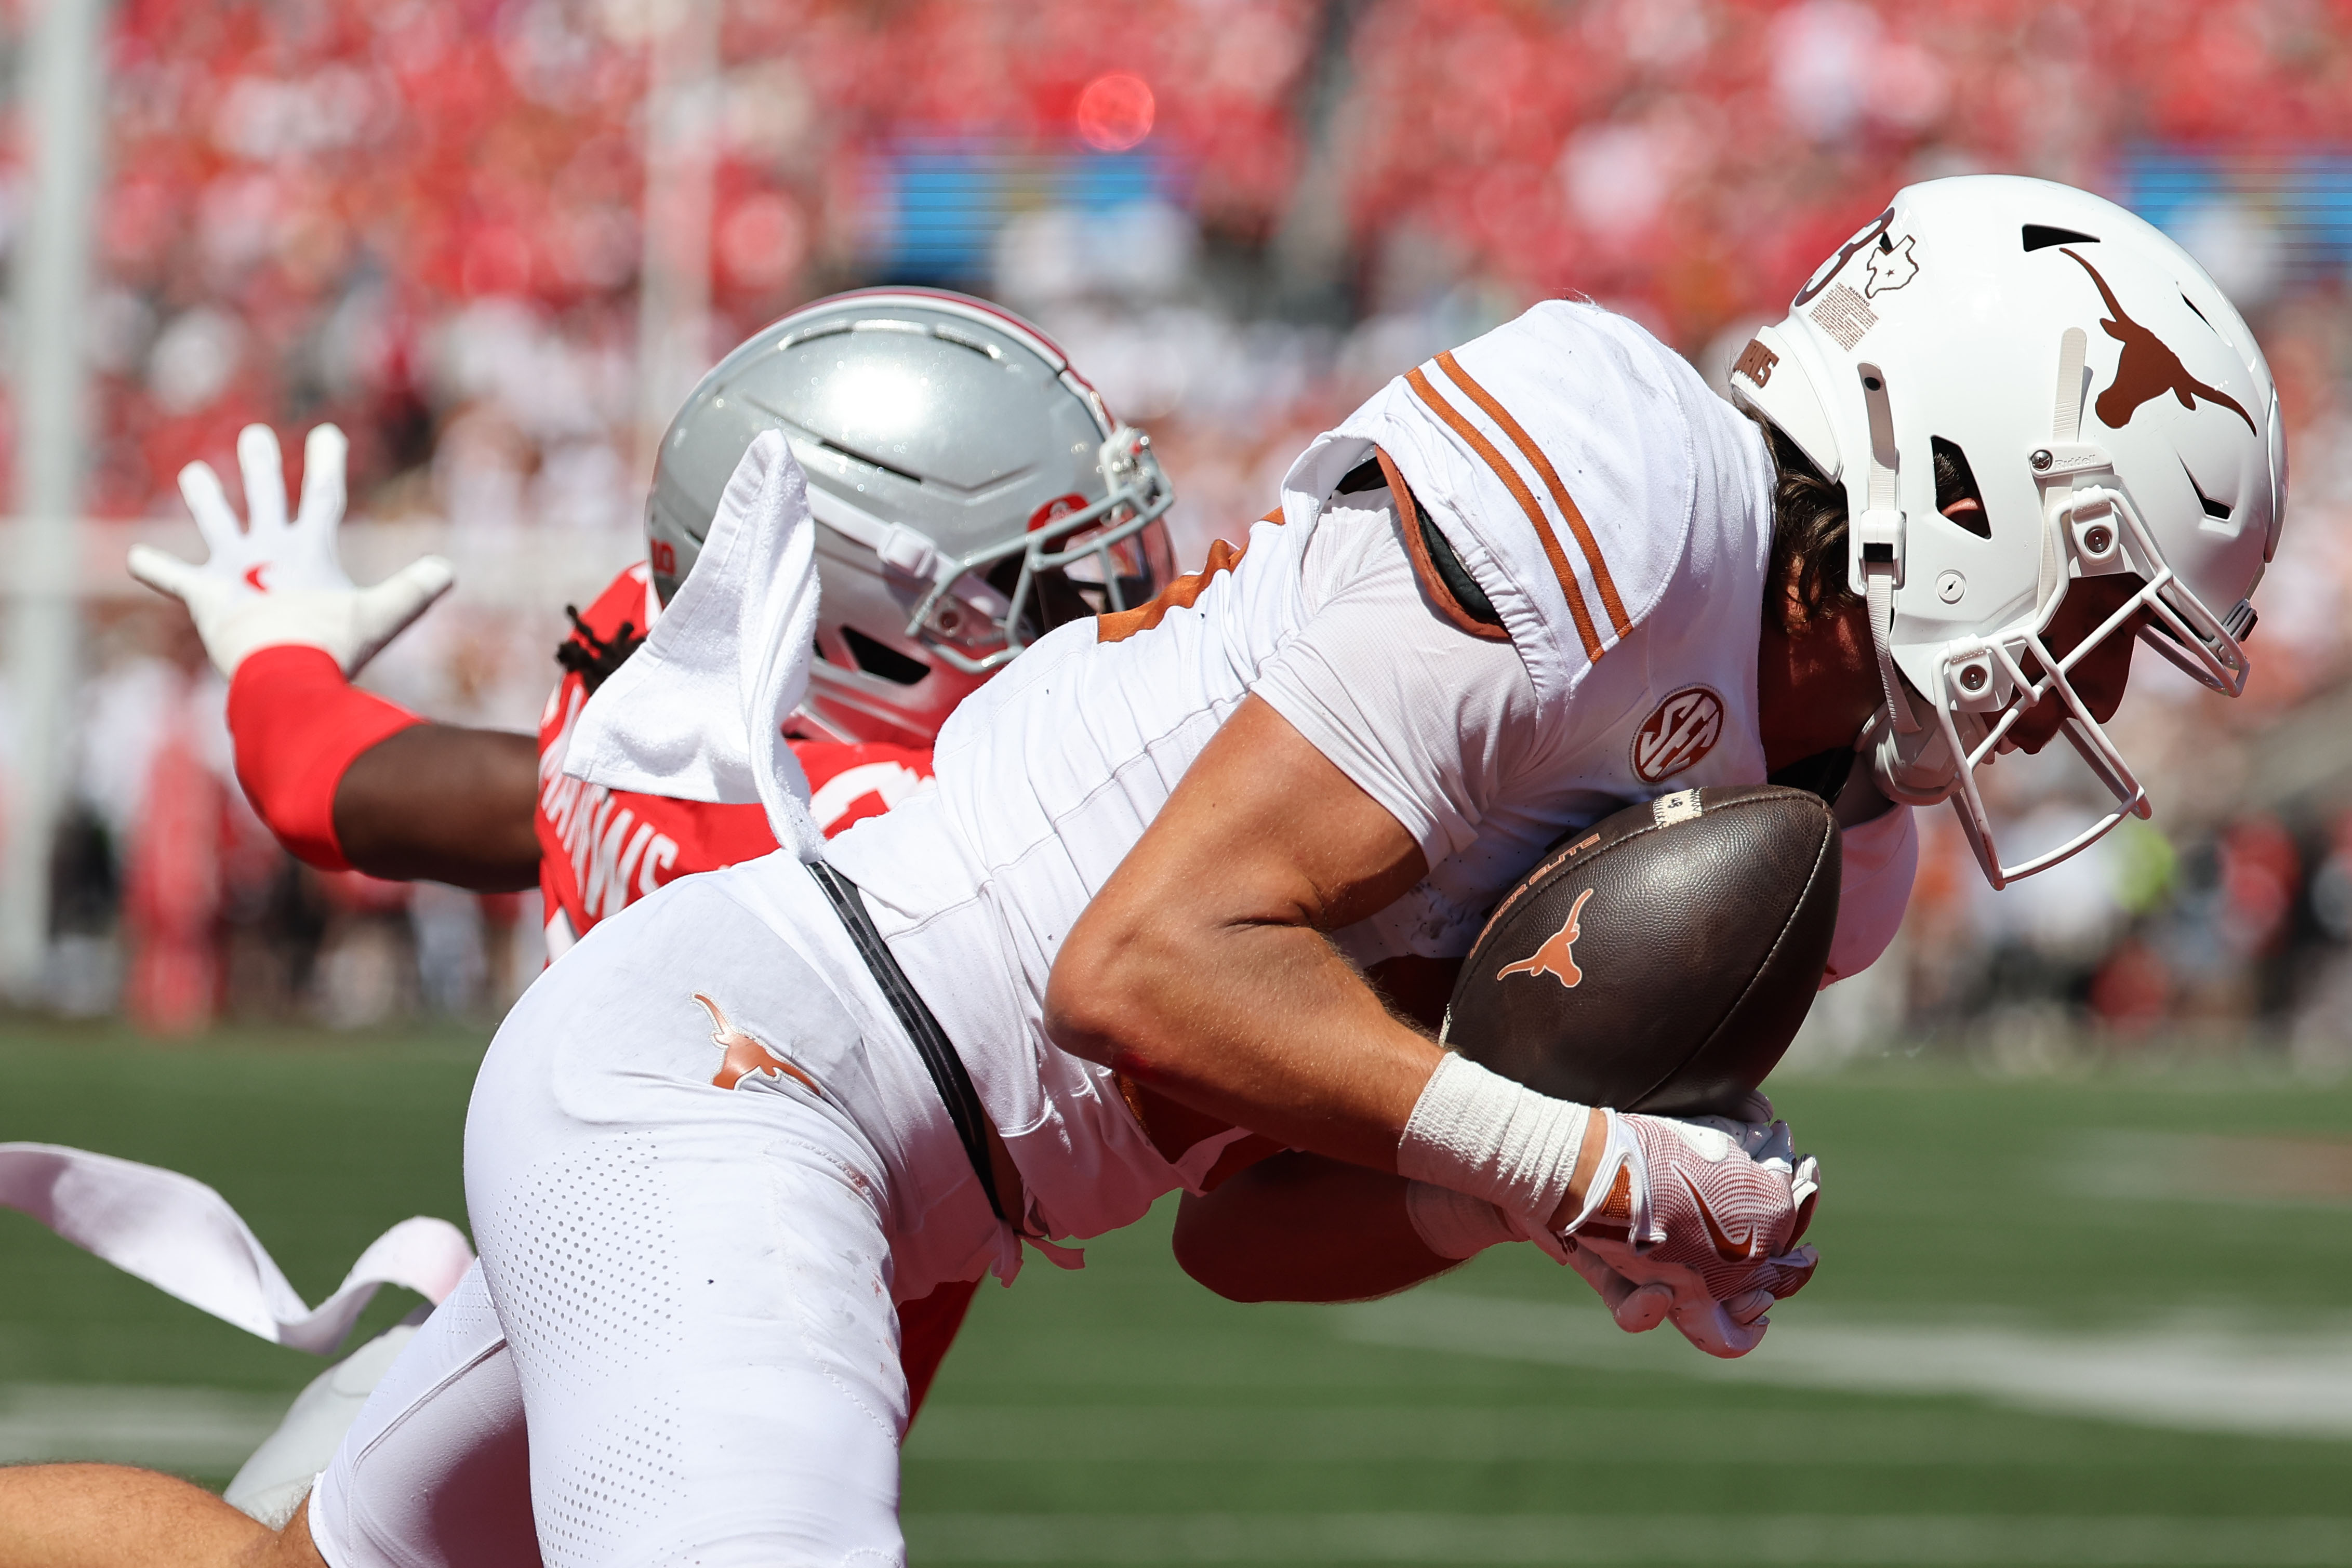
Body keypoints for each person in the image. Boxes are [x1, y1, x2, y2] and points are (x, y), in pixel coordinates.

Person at [0, 175, 2283, 1568]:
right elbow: (1143, 965)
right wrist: (1560, 1130)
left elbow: (1240, 1231)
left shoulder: (1830, 862)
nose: (2089, 690)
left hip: (890, 1172)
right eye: (2096, 601)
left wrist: (1540, 1197)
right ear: (1958, 473)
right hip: (748, 1075)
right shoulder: (1632, 467)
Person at [6, 290, 1174, 1520]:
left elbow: (337, 785)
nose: (1099, 615)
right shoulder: (902, 859)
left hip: (494, 1381)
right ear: (864, 626)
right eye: (1032, 585)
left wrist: (277, 656)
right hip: (665, 1436)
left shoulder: (666, 734)